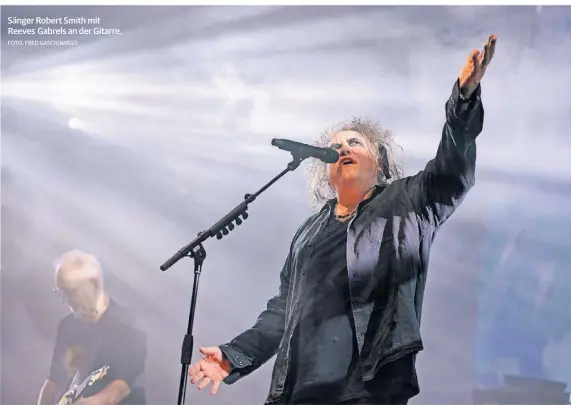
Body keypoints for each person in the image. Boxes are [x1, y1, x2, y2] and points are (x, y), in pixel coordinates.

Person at [189, 34, 497, 405]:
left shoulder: (407, 203)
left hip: (365, 389)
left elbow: (453, 170)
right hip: (296, 392)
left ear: (378, 161)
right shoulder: (308, 234)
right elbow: (283, 311)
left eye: (355, 143)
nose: (343, 149)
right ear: (326, 169)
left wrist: (463, 100)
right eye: (336, 147)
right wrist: (233, 355)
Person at [36, 250, 147, 405]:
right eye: (60, 292)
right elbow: (53, 380)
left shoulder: (128, 325)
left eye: (71, 292)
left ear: (94, 284)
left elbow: (121, 387)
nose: (65, 301)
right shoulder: (68, 325)